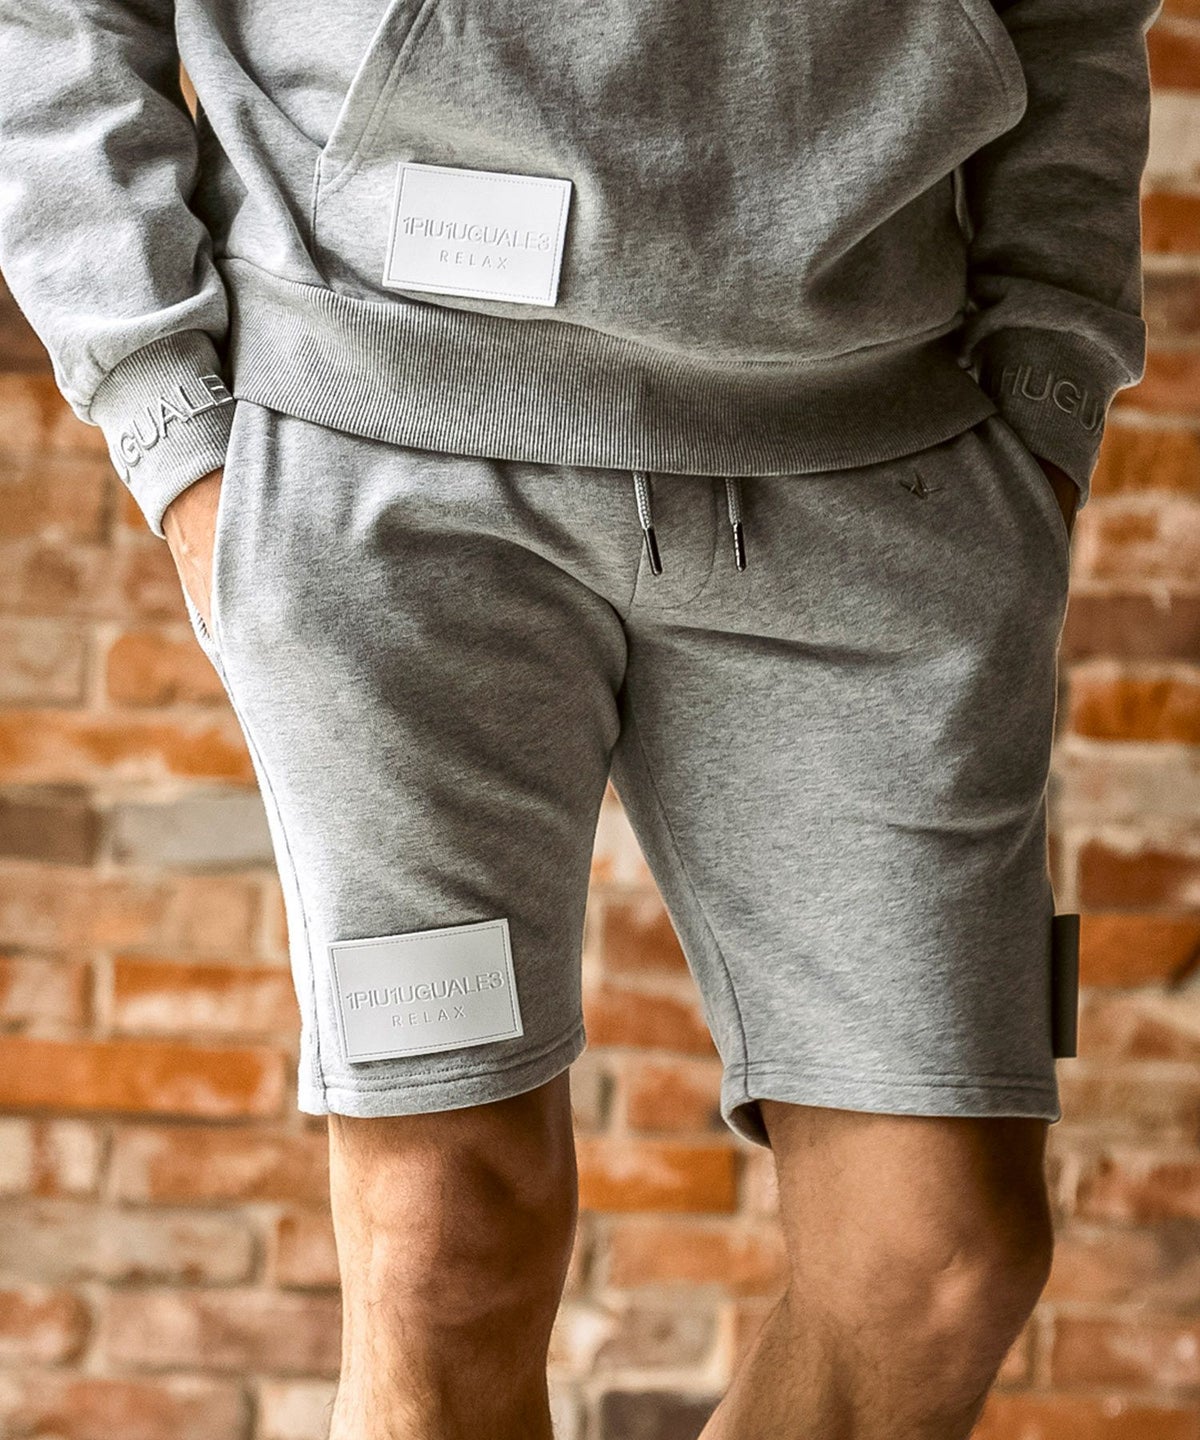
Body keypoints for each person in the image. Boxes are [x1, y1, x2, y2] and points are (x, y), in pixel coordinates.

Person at [0, 1, 1156, 1435]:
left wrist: (1046, 391)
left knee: (941, 1252)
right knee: (448, 1239)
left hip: (875, 468)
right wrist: (174, 428)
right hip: (394, 466)